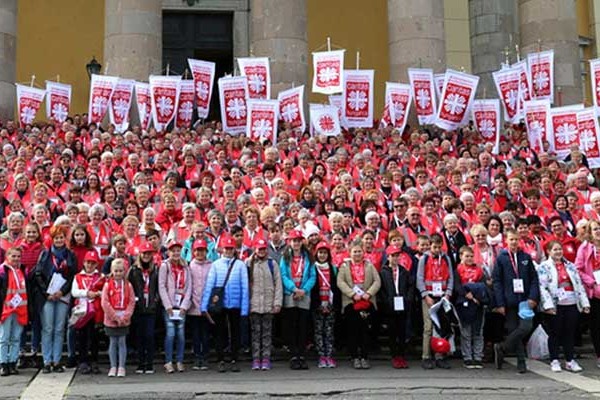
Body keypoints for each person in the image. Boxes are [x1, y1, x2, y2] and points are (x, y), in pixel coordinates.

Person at [493, 229, 540, 374]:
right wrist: (500, 303)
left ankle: (502, 347)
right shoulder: (501, 258)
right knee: (514, 330)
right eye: (511, 239)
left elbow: (534, 279)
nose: (514, 242)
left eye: (516, 239)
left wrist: (533, 297)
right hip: (509, 300)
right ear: (506, 241)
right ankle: (521, 362)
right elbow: (497, 281)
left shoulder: (525, 257)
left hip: (525, 300)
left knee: (525, 328)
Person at [538, 241, 590, 372]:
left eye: (560, 249)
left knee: (569, 333)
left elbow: (579, 285)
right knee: (554, 333)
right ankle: (554, 360)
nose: (558, 252)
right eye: (555, 250)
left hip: (571, 301)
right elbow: (542, 288)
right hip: (556, 304)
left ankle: (570, 360)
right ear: (549, 252)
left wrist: (584, 303)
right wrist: (548, 305)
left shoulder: (570, 266)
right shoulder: (544, 267)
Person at [201, 235, 249, 373]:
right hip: (220, 304)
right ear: (222, 249)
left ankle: (234, 358)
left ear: (234, 249)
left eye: (230, 248)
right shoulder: (216, 265)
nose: (228, 251)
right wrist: (204, 305)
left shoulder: (240, 265)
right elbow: (209, 285)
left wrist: (244, 308)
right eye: (226, 248)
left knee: (235, 333)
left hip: (235, 304)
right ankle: (220, 359)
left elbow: (245, 287)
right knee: (219, 332)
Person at [33, 225, 77, 373]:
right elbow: (38, 274)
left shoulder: (70, 255)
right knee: (48, 328)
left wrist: (61, 291)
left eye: (61, 237)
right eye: (56, 238)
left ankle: (56, 361)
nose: (59, 240)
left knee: (59, 329)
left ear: (65, 239)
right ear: (52, 239)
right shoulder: (45, 254)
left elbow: (72, 276)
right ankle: (47, 361)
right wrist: (47, 293)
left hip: (62, 296)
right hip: (47, 297)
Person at [337, 240, 381, 369]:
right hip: (351, 301)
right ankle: (355, 356)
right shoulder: (344, 266)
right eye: (354, 251)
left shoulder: (369, 265)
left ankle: (365, 356)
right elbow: (340, 282)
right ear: (350, 252)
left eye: (359, 251)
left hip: (367, 300)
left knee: (365, 331)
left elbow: (377, 281)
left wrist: (369, 293)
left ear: (363, 252)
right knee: (353, 331)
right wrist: (351, 294)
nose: (357, 254)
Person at [279, 229, 316, 370]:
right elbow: (283, 275)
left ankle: (302, 354)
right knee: (291, 326)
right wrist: (294, 289)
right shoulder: (285, 257)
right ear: (290, 242)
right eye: (294, 240)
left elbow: (312, 276)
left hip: (304, 294)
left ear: (302, 242)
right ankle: (294, 355)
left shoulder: (308, 257)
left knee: (302, 326)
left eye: (299, 241)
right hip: (290, 294)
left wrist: (303, 290)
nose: (296, 243)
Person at [416, 233, 454, 370]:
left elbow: (450, 277)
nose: (437, 250)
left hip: (442, 297)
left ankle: (440, 355)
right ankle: (426, 356)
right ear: (430, 246)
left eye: (439, 247)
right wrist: (425, 295)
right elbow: (419, 278)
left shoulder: (446, 259)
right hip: (429, 297)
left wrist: (448, 294)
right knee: (428, 327)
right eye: (434, 247)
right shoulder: (424, 259)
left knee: (441, 326)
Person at [247, 238, 283, 371]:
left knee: (267, 333)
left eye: (263, 249)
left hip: (268, 303)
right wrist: (247, 304)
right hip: (254, 303)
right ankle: (256, 358)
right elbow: (246, 285)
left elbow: (278, 284)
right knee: (255, 333)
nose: (261, 251)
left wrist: (277, 302)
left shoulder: (272, 264)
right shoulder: (249, 263)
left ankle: (266, 358)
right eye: (259, 249)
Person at [159, 240, 192, 373]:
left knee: (181, 334)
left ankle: (179, 360)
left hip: (181, 305)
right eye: (173, 250)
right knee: (171, 333)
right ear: (168, 252)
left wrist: (185, 305)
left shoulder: (185, 266)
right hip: (170, 306)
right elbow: (161, 286)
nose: (176, 253)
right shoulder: (164, 266)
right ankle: (168, 361)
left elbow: (189, 286)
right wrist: (167, 305)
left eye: (178, 250)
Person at [71, 251, 105, 375]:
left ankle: (94, 360)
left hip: (95, 310)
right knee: (82, 336)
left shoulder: (100, 276)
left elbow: (105, 290)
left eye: (92, 263)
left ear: (96, 264)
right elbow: (74, 292)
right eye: (87, 262)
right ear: (84, 263)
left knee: (95, 336)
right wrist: (86, 293)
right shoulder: (78, 277)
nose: (90, 265)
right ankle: (83, 361)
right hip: (82, 310)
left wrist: (97, 294)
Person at [128, 242, 159, 374]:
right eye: (144, 253)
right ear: (140, 254)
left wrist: (156, 300)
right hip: (138, 307)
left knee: (150, 335)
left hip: (151, 307)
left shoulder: (155, 269)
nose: (146, 256)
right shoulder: (134, 270)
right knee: (139, 336)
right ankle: (141, 363)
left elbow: (158, 286)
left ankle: (150, 363)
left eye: (149, 253)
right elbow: (129, 286)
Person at [379, 245, 412, 369]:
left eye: (397, 255)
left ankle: (402, 355)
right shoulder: (383, 271)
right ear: (388, 257)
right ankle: (394, 356)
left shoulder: (404, 271)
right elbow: (381, 289)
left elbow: (410, 286)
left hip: (402, 304)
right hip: (390, 305)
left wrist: (407, 299)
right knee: (392, 332)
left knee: (402, 331)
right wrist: (386, 302)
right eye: (393, 255)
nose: (395, 258)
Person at [454, 246, 487, 369]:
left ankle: (478, 357)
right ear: (461, 256)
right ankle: (467, 357)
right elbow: (457, 285)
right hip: (464, 302)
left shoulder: (479, 270)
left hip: (478, 303)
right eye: (466, 256)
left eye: (471, 256)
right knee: (466, 332)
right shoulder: (457, 269)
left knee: (478, 331)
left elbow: (483, 285)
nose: (469, 258)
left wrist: (477, 297)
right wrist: (466, 294)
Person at [101, 259, 135, 378]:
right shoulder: (107, 285)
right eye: (116, 271)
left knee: (122, 341)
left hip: (124, 318)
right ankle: (113, 366)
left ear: (124, 271)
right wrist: (114, 317)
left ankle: (121, 366)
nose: (118, 273)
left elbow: (131, 302)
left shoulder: (128, 285)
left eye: (121, 271)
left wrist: (126, 316)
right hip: (111, 318)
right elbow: (105, 302)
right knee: (113, 342)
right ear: (112, 271)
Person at [311, 241, 338, 368]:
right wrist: (318, 304)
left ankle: (329, 355)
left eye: (325, 253)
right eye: (320, 253)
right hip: (318, 304)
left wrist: (331, 304)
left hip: (330, 304)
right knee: (318, 331)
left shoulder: (333, 268)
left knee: (329, 331)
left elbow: (335, 287)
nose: (322, 255)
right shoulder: (313, 268)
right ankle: (321, 355)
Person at [0, 247, 27, 376]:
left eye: (18, 256)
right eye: (13, 256)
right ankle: (3, 364)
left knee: (16, 338)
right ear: (7, 257)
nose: (16, 259)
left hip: (20, 309)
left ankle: (13, 362)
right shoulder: (2, 271)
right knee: (4, 338)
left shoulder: (22, 270)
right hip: (6, 309)